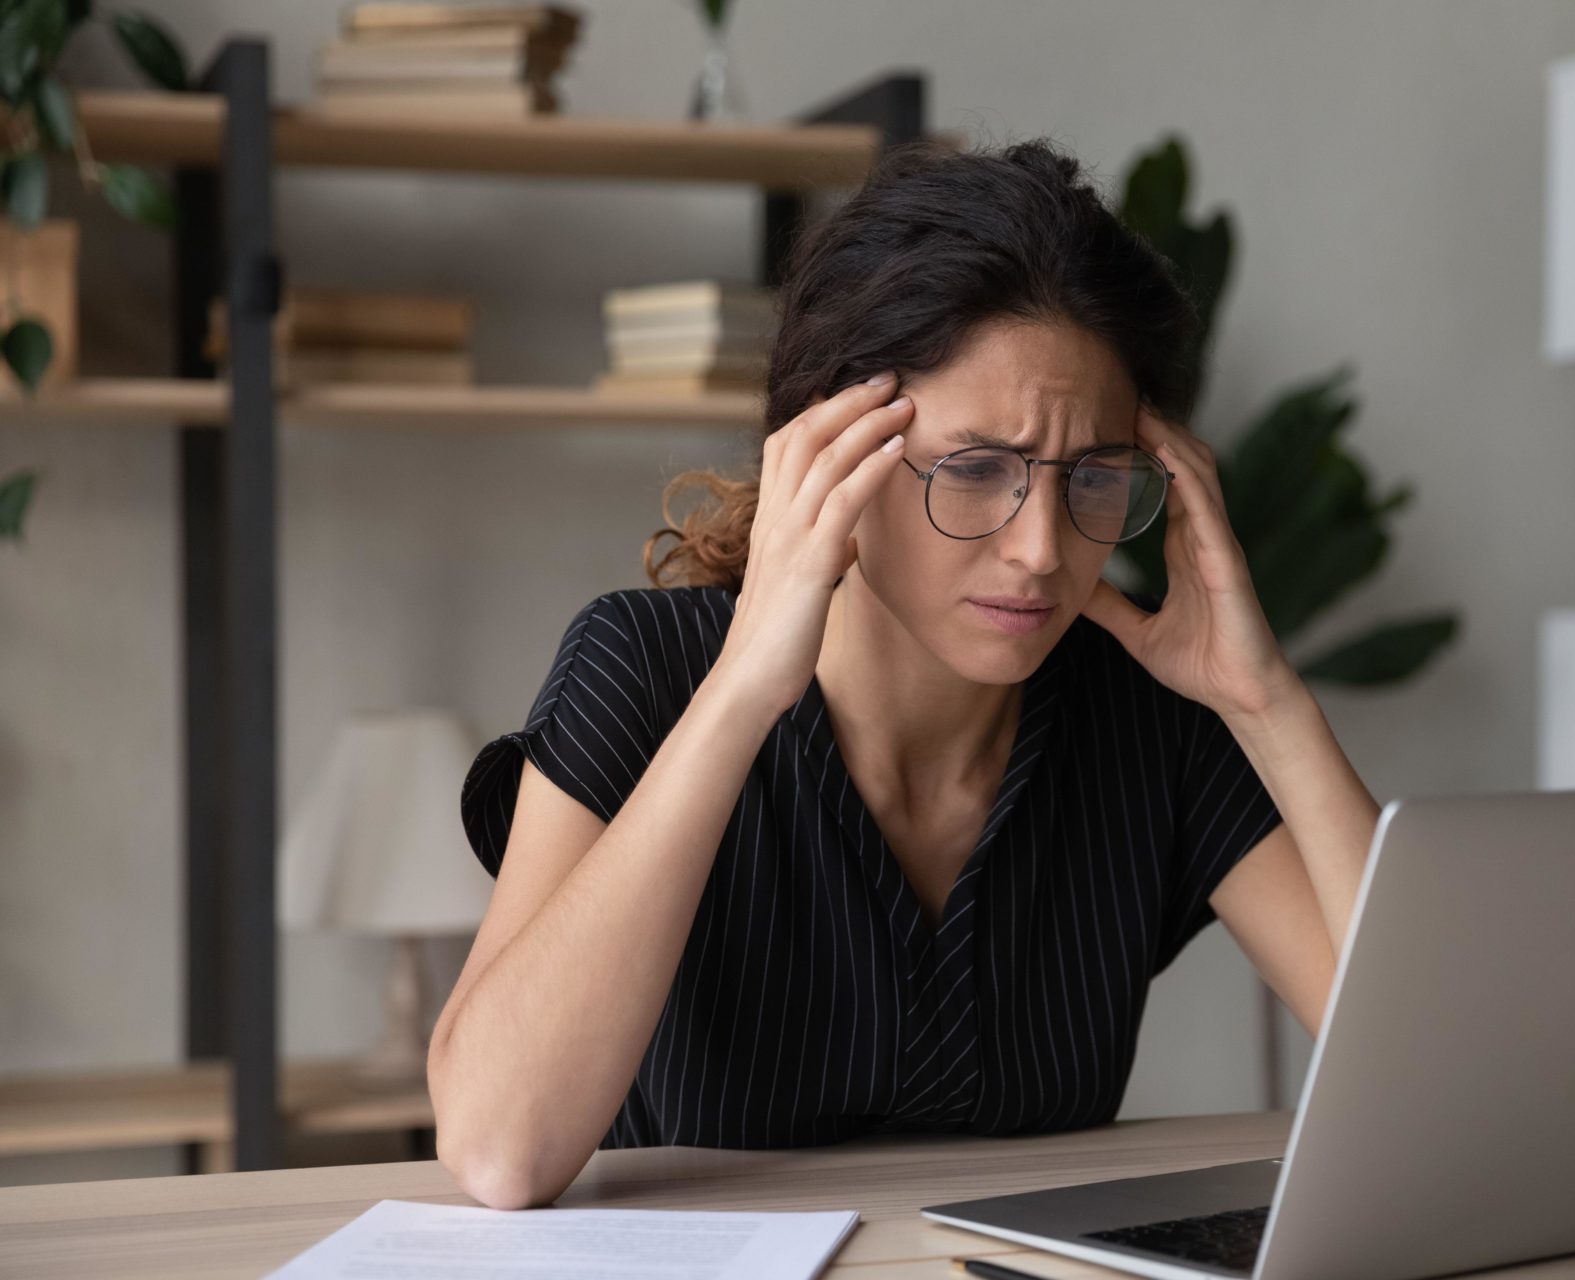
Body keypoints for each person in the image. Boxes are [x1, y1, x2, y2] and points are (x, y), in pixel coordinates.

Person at [428, 134, 1382, 1211]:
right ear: (830, 451)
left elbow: (1428, 1085)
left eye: (1094, 477)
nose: (1039, 547)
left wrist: (1267, 700)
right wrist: (742, 692)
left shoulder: (1147, 718)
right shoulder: (646, 667)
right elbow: (501, 1146)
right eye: (977, 469)